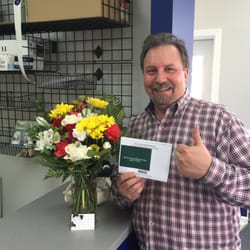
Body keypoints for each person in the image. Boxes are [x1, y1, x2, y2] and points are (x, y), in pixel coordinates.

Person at [111, 32, 250, 249]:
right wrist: (123, 191)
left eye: (169, 69)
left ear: (186, 73)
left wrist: (211, 170)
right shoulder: (134, 127)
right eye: (151, 71)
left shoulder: (219, 120)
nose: (159, 78)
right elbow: (119, 195)